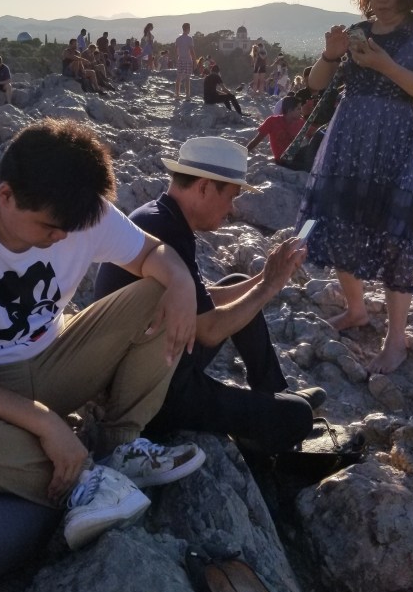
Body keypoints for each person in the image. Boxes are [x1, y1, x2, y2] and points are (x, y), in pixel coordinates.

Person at [0, 119, 205, 552]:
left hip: (56, 357)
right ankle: (88, 481)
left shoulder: (78, 209)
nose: (62, 238)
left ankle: (120, 446)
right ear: (6, 195)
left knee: (160, 291)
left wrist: (183, 283)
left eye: (70, 230)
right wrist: (41, 420)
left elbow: (153, 253)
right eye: (49, 228)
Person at [95, 136, 325, 459]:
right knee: (298, 416)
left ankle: (274, 392)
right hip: (152, 394)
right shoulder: (166, 229)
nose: (232, 209)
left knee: (238, 282)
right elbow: (209, 329)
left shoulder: (161, 215)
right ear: (203, 187)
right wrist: (269, 286)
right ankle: (274, 430)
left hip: (162, 360)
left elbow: (202, 303)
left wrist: (264, 277)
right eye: (230, 197)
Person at [297, 0, 413, 375]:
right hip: (347, 136)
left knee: (391, 232)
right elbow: (317, 85)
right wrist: (331, 54)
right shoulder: (356, 31)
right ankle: (356, 310)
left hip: (394, 140)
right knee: (338, 217)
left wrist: (386, 66)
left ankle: (395, 339)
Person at [247, 94, 303, 163]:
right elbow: (257, 140)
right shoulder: (272, 121)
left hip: (297, 158)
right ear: (289, 111)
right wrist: (243, 152)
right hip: (283, 160)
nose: (301, 112)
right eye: (298, 109)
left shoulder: (301, 123)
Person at [175, 23, 196, 101]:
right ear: (188, 29)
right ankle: (187, 96)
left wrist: (178, 57)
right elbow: (191, 51)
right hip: (187, 59)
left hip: (180, 59)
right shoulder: (189, 39)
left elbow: (176, 51)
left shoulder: (178, 39)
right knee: (187, 78)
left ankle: (177, 95)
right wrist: (195, 61)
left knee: (178, 77)